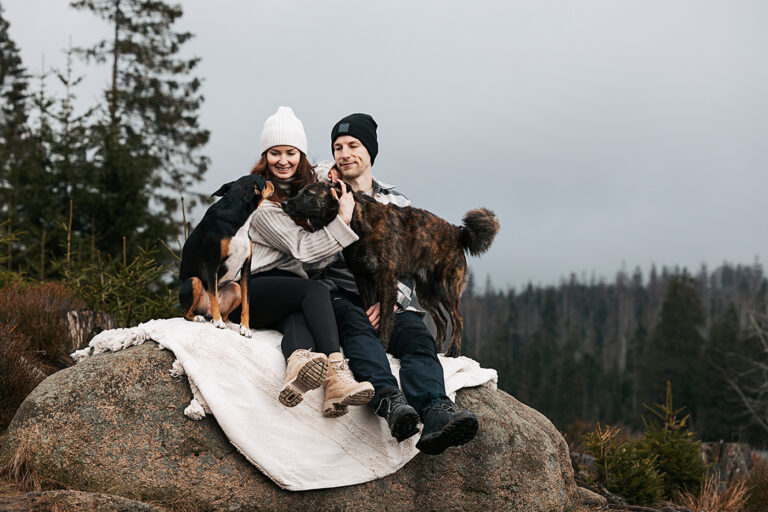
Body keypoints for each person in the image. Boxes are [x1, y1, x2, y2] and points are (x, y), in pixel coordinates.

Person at [314, 113, 479, 455]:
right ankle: (392, 403)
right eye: (338, 147)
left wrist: (392, 301)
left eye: (353, 146)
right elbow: (314, 261)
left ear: (369, 152)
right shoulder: (326, 197)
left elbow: (413, 261)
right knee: (360, 337)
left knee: (418, 339)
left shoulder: (396, 201)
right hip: (345, 297)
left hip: (392, 300)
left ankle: (436, 411)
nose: (345, 154)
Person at [232, 106, 373, 417]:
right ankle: (337, 373)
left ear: (301, 156)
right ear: (264, 156)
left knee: (299, 320)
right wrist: (343, 222)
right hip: (250, 288)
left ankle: (303, 373)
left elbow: (319, 171)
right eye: (275, 153)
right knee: (315, 292)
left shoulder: (298, 186)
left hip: (283, 293)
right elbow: (304, 250)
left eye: (291, 152)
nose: (283, 160)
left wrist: (330, 171)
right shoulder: (260, 201)